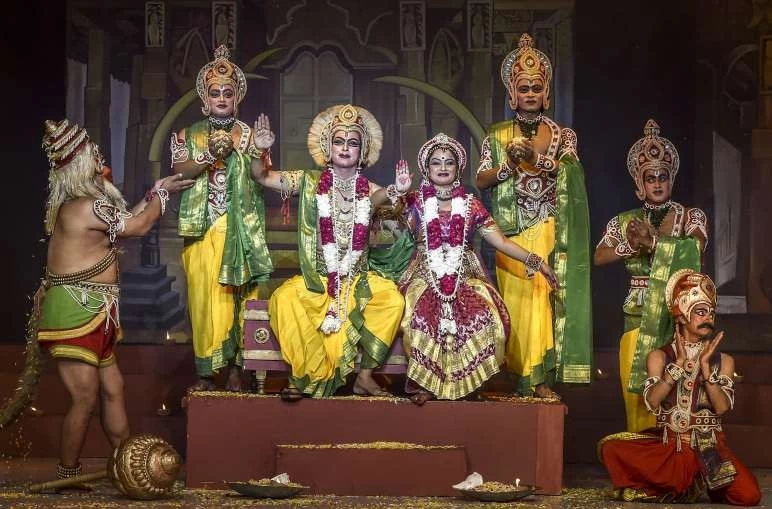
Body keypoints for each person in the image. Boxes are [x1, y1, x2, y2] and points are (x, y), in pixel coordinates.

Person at [37, 119, 193, 481]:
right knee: (85, 397)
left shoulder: (88, 206)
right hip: (75, 311)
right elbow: (137, 226)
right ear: (80, 163)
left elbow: (126, 219)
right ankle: (67, 473)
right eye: (93, 153)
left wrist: (155, 191)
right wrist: (161, 197)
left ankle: (126, 465)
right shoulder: (87, 206)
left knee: (113, 390)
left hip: (96, 312)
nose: (100, 156)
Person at [250, 105, 405, 399]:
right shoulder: (308, 182)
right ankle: (305, 377)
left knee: (392, 301)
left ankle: (364, 377)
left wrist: (394, 191)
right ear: (327, 146)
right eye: (339, 141)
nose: (345, 148)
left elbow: (386, 204)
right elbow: (262, 177)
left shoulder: (370, 189)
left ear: (363, 150)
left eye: (353, 142)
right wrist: (260, 151)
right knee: (284, 299)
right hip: (318, 280)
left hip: (357, 281)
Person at [395, 133, 558, 405]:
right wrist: (398, 191)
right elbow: (384, 209)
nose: (443, 167)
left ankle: (469, 384)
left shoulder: (471, 205)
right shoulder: (414, 202)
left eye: (449, 162)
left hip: (465, 274)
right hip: (425, 273)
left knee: (485, 314)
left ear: (458, 168)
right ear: (426, 169)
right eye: (436, 162)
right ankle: (426, 384)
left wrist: (537, 261)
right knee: (421, 314)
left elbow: (501, 242)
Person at [475, 33, 591, 398]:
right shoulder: (496, 136)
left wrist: (535, 159)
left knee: (541, 297)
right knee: (516, 305)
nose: (529, 94)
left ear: (546, 94)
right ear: (512, 93)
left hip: (547, 225)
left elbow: (572, 173)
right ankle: (517, 378)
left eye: (536, 88)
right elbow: (480, 179)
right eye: (523, 88)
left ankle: (539, 380)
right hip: (509, 233)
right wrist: (509, 166)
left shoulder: (562, 135)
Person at [598, 270, 761, 506]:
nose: (709, 318)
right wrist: (677, 366)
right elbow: (653, 402)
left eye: (711, 313)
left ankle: (688, 483)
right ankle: (681, 484)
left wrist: (706, 370)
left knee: (749, 496)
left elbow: (722, 408)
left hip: (710, 449)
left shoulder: (723, 361)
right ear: (682, 316)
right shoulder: (659, 356)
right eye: (701, 312)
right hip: (671, 446)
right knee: (611, 448)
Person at [594, 119, 708, 432]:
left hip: (677, 320)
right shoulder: (624, 221)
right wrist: (631, 247)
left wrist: (654, 243)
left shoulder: (690, 217)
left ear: (671, 180)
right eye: (650, 178)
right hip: (638, 318)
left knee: (676, 395)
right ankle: (642, 455)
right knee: (639, 398)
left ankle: (674, 457)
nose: (657, 183)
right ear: (638, 185)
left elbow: (696, 248)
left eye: (662, 177)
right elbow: (599, 256)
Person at [171, 45, 273, 392]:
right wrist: (207, 155)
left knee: (238, 298)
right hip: (202, 228)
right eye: (215, 93)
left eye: (228, 93)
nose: (221, 98)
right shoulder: (187, 134)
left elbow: (261, 176)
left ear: (236, 98)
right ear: (205, 98)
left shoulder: (249, 135)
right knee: (204, 301)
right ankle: (205, 373)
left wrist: (260, 148)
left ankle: (236, 370)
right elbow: (180, 171)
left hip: (240, 228)